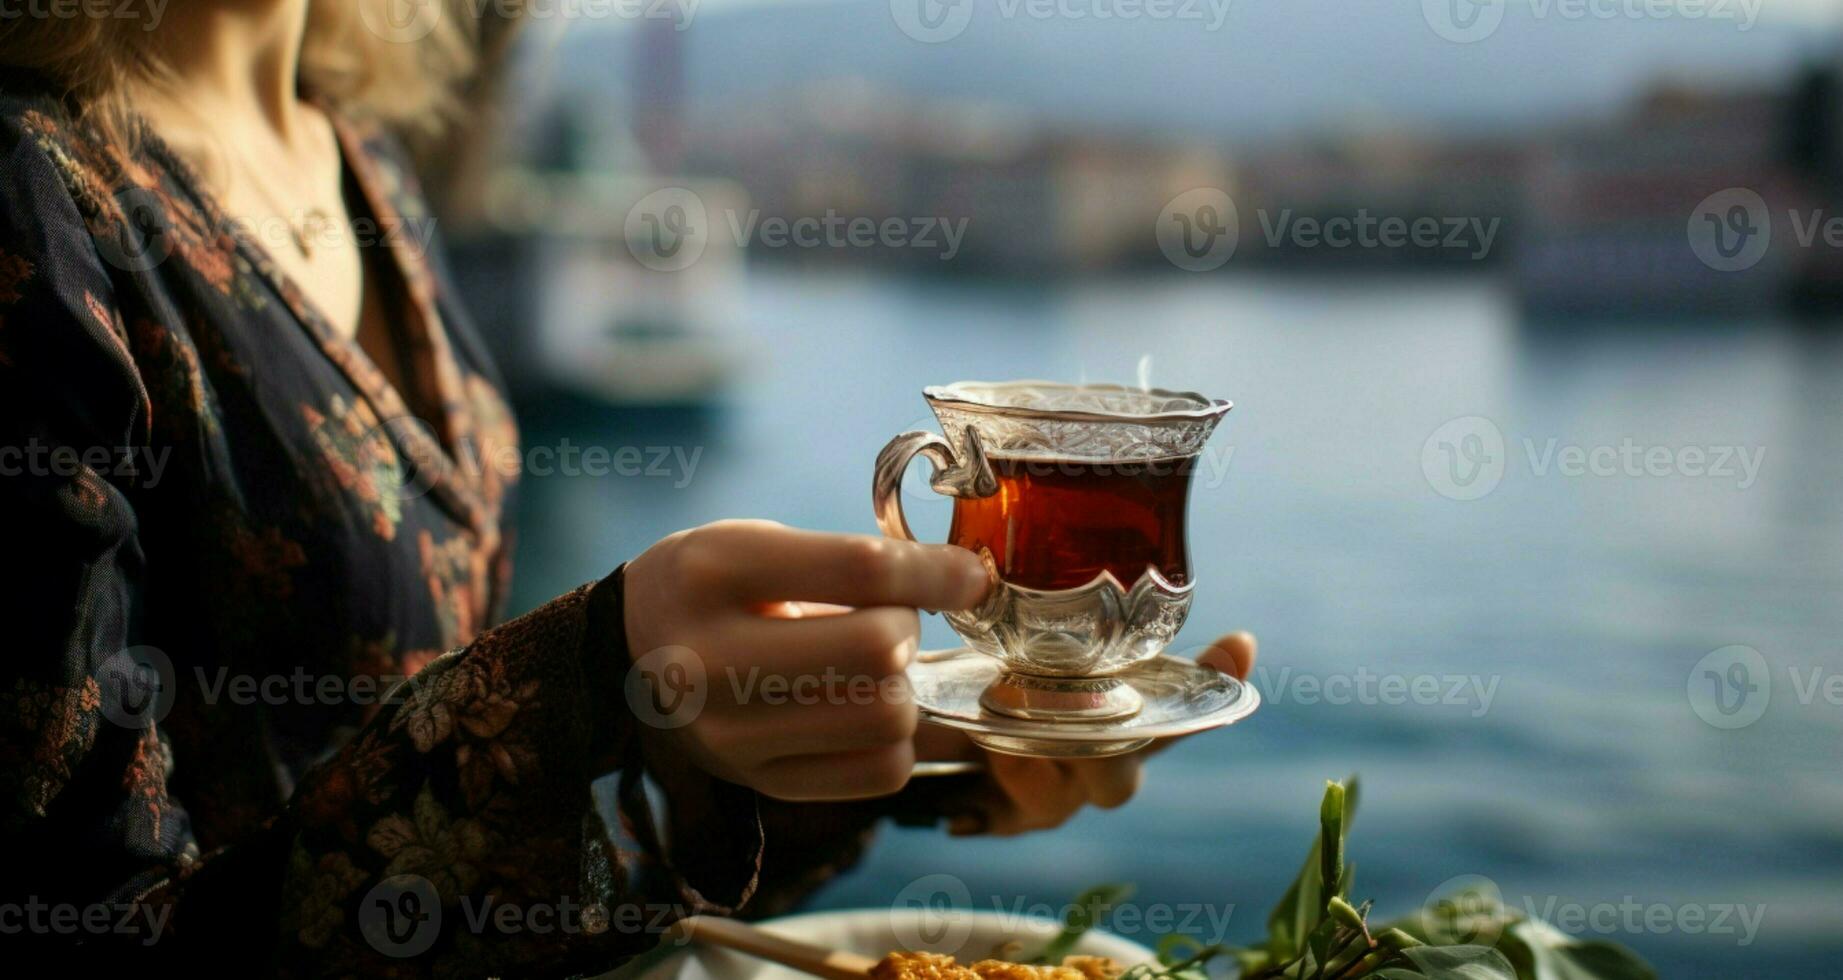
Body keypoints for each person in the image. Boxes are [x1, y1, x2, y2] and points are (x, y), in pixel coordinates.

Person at [0, 2, 1257, 973]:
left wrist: (869, 746)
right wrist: (581, 681)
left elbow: (443, 810)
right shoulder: (30, 191)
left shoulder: (351, 149)